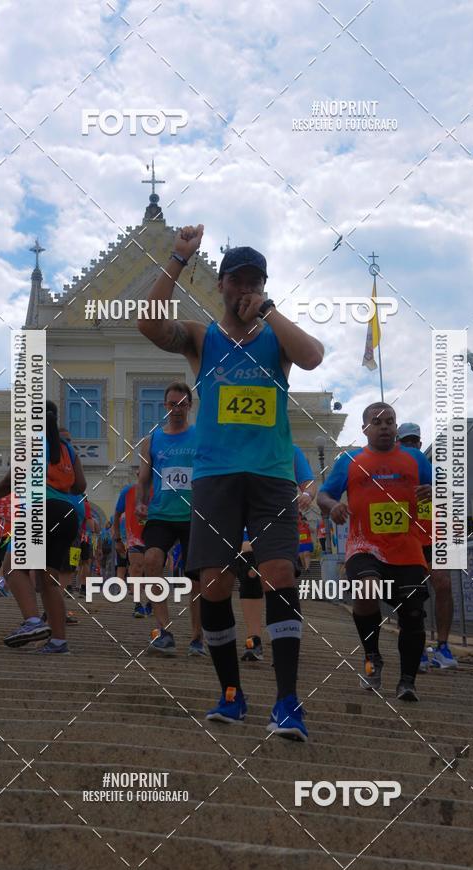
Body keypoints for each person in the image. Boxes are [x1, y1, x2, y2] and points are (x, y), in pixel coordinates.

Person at [139, 228, 324, 741]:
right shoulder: (203, 338)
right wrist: (178, 259)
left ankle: (287, 701)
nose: (245, 289)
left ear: (264, 286)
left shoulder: (276, 337)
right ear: (220, 285)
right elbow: (148, 324)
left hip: (271, 475)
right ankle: (230, 693)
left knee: (279, 572)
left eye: (254, 282)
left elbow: (312, 356)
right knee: (214, 582)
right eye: (237, 280)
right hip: (216, 476)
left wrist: (269, 311)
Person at [317, 402, 432, 702]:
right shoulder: (350, 460)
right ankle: (372, 656)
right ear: (365, 428)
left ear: (396, 427)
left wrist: (434, 492)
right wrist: (334, 506)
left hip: (407, 548)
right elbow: (323, 495)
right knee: (366, 589)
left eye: (389, 421)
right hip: (364, 545)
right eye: (377, 422)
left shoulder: (415, 459)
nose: (384, 427)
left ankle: (407, 681)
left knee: (413, 613)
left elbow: (443, 491)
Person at [0, 401, 87, 653]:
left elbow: (10, 481)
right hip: (67, 515)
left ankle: (31, 621)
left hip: (40, 510)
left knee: (12, 567)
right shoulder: (67, 449)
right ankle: (59, 641)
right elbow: (80, 486)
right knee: (48, 579)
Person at [135, 381, 203, 655]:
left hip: (193, 514)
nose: (177, 409)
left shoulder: (201, 435)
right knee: (151, 560)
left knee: (196, 578)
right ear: (165, 406)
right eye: (172, 404)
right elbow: (143, 478)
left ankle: (197, 637)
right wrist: (140, 502)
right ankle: (164, 630)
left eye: (182, 404)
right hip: (161, 512)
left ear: (190, 406)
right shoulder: (152, 440)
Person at [239, 444, 317, 663]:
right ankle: (253, 639)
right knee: (249, 573)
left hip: (280, 522)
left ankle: (282, 643)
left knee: (279, 579)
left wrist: (307, 494)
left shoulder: (290, 449)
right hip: (247, 520)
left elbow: (309, 482)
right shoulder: (239, 445)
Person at [397, 422, 458, 670]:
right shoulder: (394, 470)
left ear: (420, 443)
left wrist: (435, 491)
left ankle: (443, 647)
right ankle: (417, 648)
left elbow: (452, 496)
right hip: (407, 541)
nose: (411, 445)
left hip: (434, 539)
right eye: (406, 441)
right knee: (412, 596)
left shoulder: (432, 469)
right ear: (398, 444)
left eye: (414, 441)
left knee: (444, 585)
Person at [114, 476, 148, 617]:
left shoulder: (160, 489)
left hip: (156, 536)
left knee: (152, 570)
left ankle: (151, 601)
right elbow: (117, 514)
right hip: (135, 537)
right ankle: (138, 604)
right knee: (136, 568)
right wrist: (117, 539)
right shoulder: (128, 491)